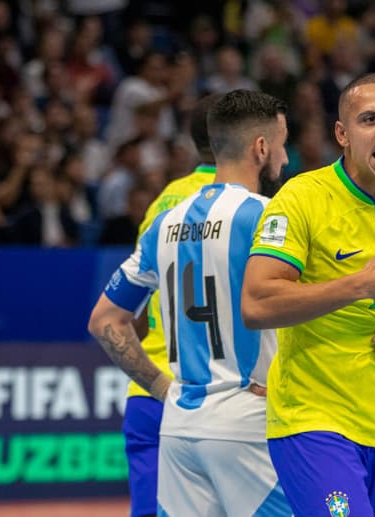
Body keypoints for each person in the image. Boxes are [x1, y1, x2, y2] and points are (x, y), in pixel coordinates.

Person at [242, 73, 375, 516]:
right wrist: (360, 285)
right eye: (370, 119)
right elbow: (257, 303)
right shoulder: (302, 198)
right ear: (342, 134)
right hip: (312, 421)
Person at [88, 89, 292, 517]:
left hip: (180, 427)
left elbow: (105, 320)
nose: (285, 158)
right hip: (247, 423)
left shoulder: (165, 220)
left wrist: (163, 389)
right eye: (281, 144)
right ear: (260, 148)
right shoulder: (268, 216)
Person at [118, 92, 220, 517]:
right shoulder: (246, 204)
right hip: (213, 393)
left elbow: (134, 307)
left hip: (148, 388)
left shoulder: (163, 201)